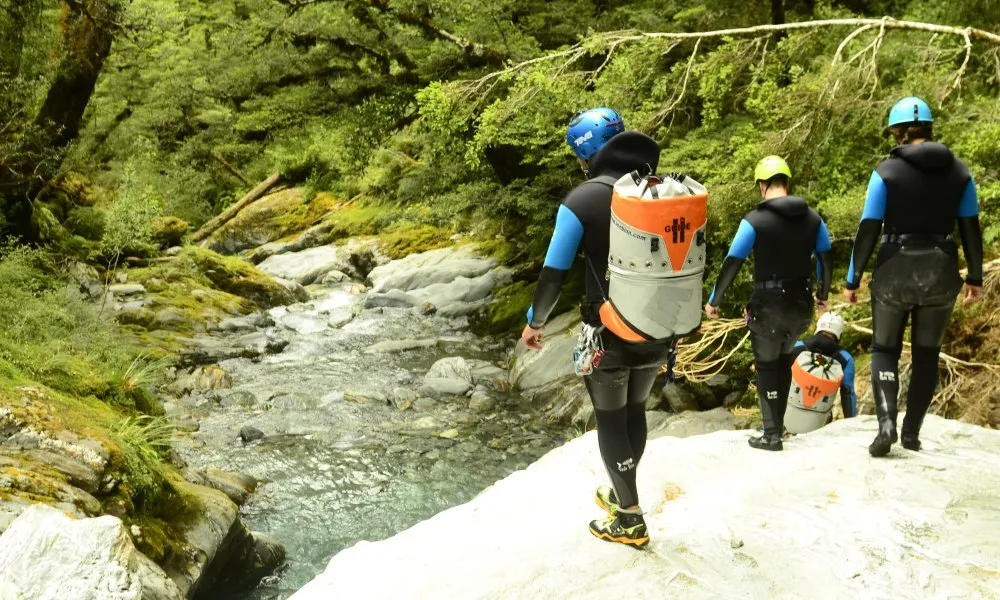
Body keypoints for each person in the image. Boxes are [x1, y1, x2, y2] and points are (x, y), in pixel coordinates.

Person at [520, 108, 673, 549]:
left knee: (610, 418)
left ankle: (629, 517)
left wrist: (536, 323)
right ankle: (620, 493)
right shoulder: (658, 191)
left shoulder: (582, 200)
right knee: (635, 412)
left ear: (586, 152)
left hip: (609, 333)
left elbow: (553, 274)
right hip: (658, 327)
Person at [843, 96, 983, 457]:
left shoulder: (885, 172)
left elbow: (869, 227)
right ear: (930, 128)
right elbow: (970, 227)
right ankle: (911, 434)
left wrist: (852, 278)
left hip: (894, 268)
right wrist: (976, 277)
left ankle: (886, 424)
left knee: (885, 349)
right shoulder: (961, 172)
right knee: (926, 354)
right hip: (941, 269)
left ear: (898, 132)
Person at [705, 155, 832, 451]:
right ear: (787, 183)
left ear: (762, 186)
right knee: (784, 361)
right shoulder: (813, 218)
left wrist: (714, 301)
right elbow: (826, 259)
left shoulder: (754, 221)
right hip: (800, 304)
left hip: (768, 306)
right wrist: (823, 295)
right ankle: (779, 426)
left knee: (765, 366)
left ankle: (771, 434)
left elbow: (732, 261)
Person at [786, 312, 857, 432]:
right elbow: (848, 393)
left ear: (818, 327)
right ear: (839, 333)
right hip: (818, 424)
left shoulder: (796, 347)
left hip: (786, 416)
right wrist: (851, 424)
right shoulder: (845, 359)